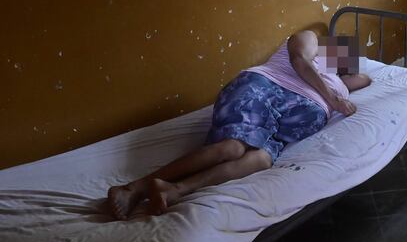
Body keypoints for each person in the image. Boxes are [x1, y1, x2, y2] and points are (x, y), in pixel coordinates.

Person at [107, 31, 371, 219]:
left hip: (282, 125)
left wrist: (346, 72)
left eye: (349, 55)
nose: (345, 54)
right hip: (263, 91)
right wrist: (333, 98)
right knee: (232, 148)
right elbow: (298, 60)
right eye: (342, 46)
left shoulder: (339, 81)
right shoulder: (311, 42)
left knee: (259, 160)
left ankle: (174, 189)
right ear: (330, 43)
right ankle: (134, 188)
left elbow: (365, 78)